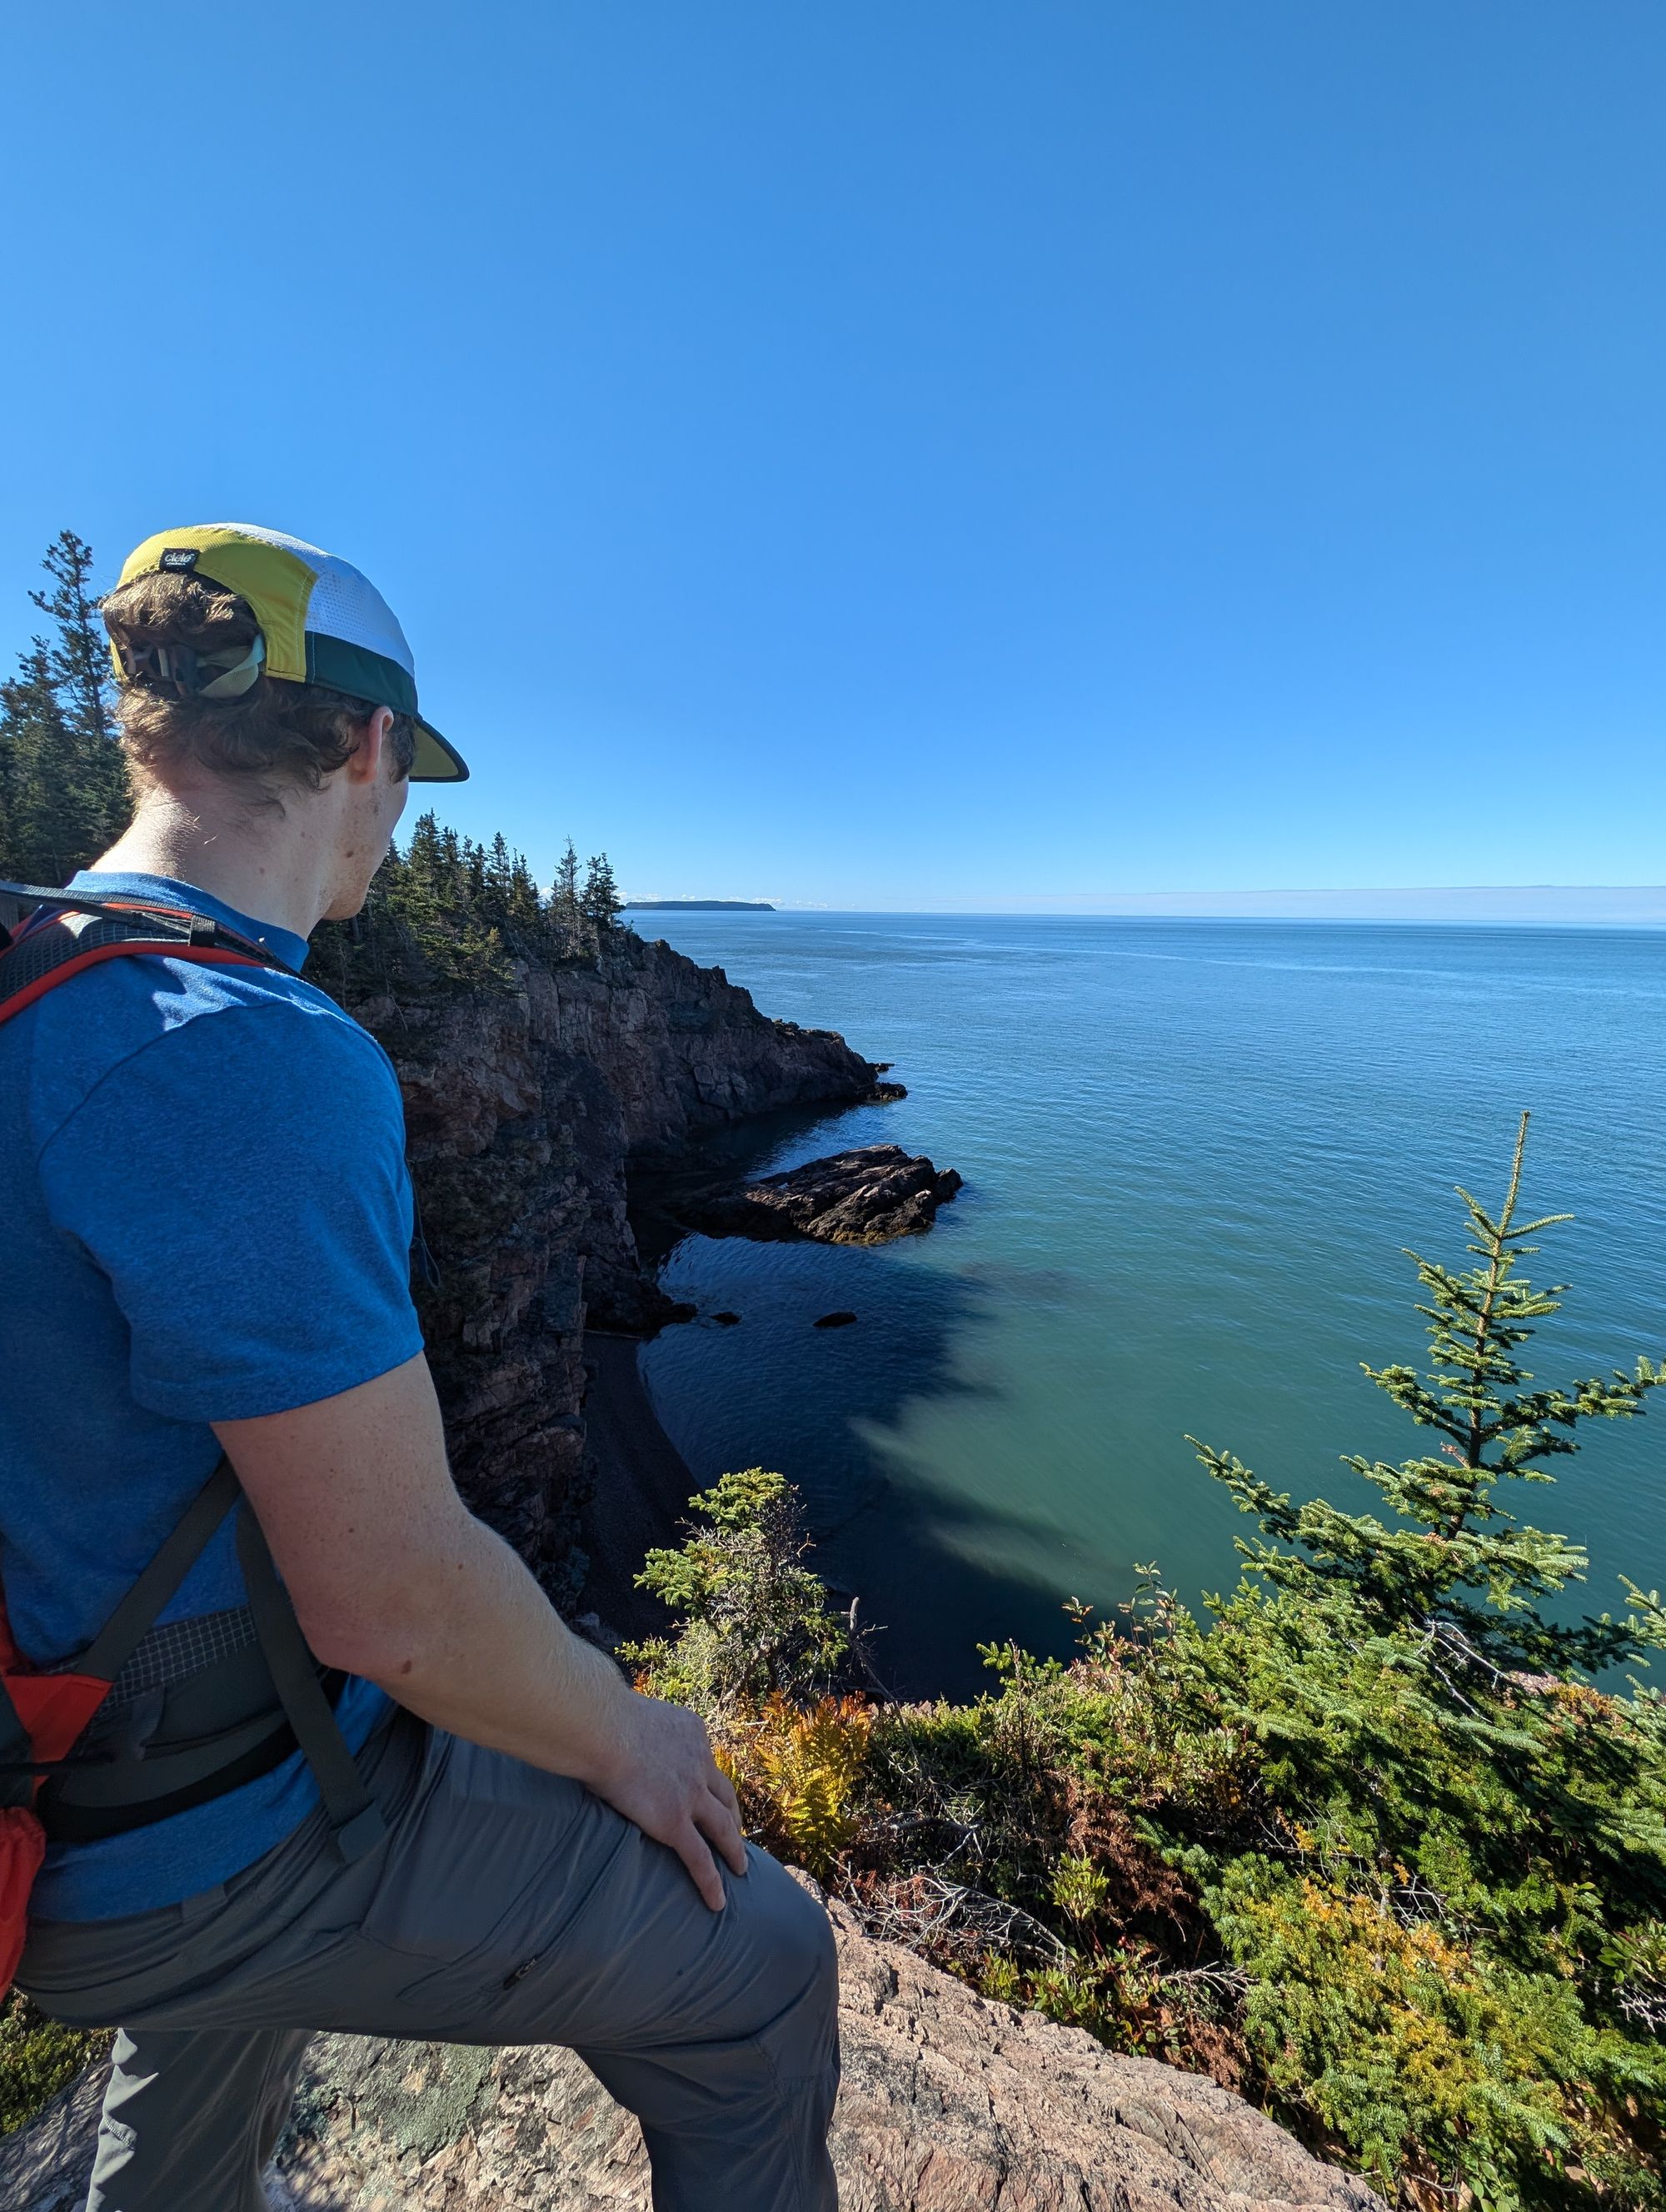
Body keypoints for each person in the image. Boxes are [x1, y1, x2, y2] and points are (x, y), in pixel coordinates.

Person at [4, 523, 840, 2212]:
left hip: (76, 1779)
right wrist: (622, 1732)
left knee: (220, 1994)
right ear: (370, 748)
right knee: (762, 1960)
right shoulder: (242, 1056)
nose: (399, 821)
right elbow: (388, 1602)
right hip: (195, 1831)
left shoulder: (33, 976)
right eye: (409, 778)